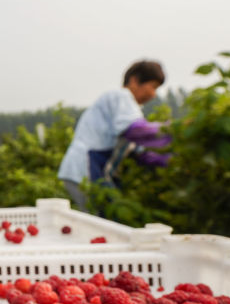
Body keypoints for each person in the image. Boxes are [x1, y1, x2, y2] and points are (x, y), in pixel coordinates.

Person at [57, 60, 171, 211]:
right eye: (153, 87)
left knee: (104, 219)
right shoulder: (121, 96)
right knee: (102, 222)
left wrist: (171, 161)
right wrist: (173, 130)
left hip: (87, 171)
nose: (153, 94)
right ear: (134, 80)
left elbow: (139, 153)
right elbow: (135, 131)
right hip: (85, 169)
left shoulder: (128, 109)